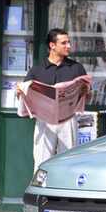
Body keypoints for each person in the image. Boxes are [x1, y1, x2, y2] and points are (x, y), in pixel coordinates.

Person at [20, 28, 90, 172]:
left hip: (68, 119)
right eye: (64, 43)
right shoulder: (36, 71)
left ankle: (68, 192)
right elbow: (26, 100)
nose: (68, 46)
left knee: (70, 159)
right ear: (52, 45)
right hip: (44, 119)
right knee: (42, 160)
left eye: (68, 42)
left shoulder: (76, 68)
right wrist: (21, 91)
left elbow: (87, 99)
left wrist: (87, 93)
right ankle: (41, 191)